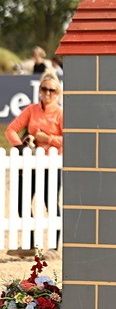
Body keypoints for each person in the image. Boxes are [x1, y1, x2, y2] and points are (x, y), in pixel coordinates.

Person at [5, 72, 64, 255]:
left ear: (58, 93)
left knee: (50, 203)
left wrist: (48, 138)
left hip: (52, 164)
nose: (47, 93)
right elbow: (11, 130)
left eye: (52, 90)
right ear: (39, 90)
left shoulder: (61, 113)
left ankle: (53, 247)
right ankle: (30, 245)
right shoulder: (31, 109)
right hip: (31, 164)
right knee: (22, 202)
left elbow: (70, 139)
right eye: (44, 89)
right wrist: (21, 147)